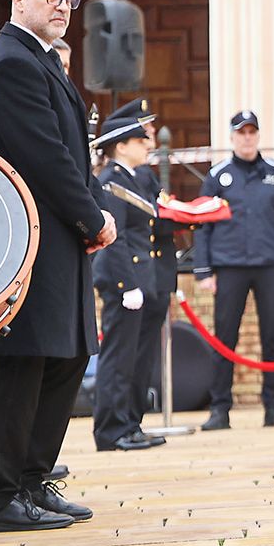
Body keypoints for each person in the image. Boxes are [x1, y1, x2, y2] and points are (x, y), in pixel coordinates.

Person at [0, 0, 116, 532]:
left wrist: (92, 209)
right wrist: (93, 218)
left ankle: (32, 480)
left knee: (67, 353)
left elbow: (72, 152)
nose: (62, 6)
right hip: (33, 232)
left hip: (60, 231)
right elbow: (45, 157)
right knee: (27, 358)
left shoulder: (37, 59)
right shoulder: (11, 62)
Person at [194, 111, 274, 430]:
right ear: (232, 137)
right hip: (229, 266)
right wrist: (203, 270)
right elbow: (203, 224)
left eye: (252, 132)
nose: (247, 138)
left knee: (273, 335)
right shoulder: (217, 175)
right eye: (241, 133)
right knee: (225, 338)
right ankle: (220, 408)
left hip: (270, 266)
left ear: (258, 136)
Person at [90, 113, 166, 452]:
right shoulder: (110, 181)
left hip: (144, 278)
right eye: (140, 140)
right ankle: (111, 430)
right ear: (120, 146)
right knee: (119, 359)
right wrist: (125, 283)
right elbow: (114, 238)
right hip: (125, 281)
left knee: (138, 359)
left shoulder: (137, 178)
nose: (147, 145)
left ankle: (131, 423)